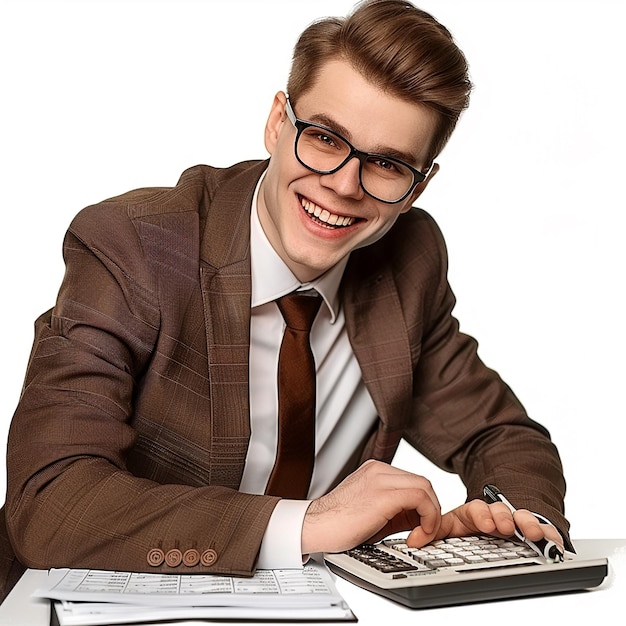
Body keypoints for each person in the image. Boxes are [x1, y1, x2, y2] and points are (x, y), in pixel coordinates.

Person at [0, 0, 572, 603]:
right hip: (101, 606)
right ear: (278, 122)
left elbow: (502, 436)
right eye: (325, 138)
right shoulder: (136, 247)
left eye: (387, 164)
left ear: (420, 185)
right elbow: (51, 499)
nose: (344, 185)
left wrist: (507, 523)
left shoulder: (409, 262)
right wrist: (307, 525)